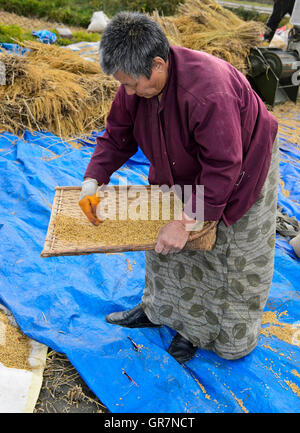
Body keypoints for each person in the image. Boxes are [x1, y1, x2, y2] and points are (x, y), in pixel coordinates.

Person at [79, 12, 279, 364]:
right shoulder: (136, 86)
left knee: (221, 247)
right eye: (121, 84)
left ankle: (200, 331)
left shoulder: (208, 91)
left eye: (131, 84)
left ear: (158, 64)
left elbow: (222, 167)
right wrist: (93, 181)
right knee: (161, 236)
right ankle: (159, 310)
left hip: (242, 164)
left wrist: (187, 221)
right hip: (180, 160)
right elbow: (116, 136)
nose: (126, 92)